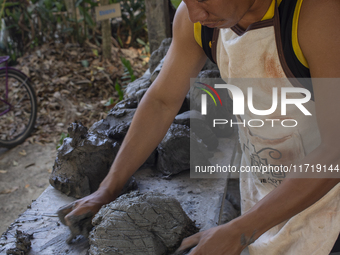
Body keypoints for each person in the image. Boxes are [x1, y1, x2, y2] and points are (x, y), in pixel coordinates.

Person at [60, 0, 340, 254]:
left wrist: (240, 231)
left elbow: (335, 151)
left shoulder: (316, 14)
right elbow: (161, 101)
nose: (194, 13)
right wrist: (108, 188)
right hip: (263, 192)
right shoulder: (197, 19)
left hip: (330, 207)